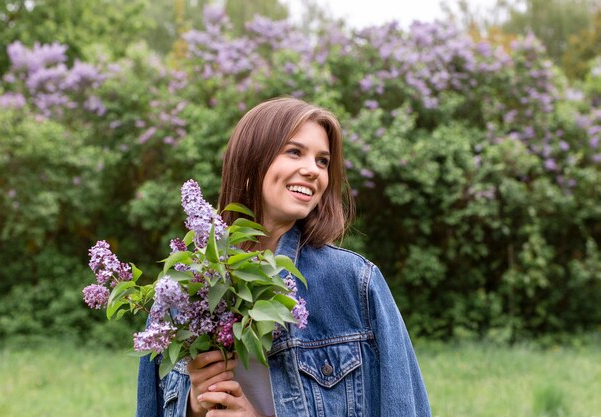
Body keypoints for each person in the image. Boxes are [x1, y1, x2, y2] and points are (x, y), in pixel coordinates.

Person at [136, 97, 431, 417]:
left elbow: (406, 407)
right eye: (295, 152)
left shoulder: (355, 283)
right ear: (251, 163)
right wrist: (194, 403)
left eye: (322, 161)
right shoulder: (185, 284)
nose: (312, 170)